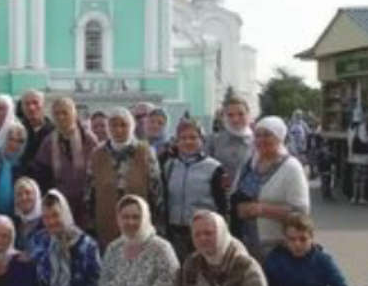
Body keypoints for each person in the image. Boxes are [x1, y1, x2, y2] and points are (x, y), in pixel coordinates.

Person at [231, 116, 310, 259]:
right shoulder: (249, 164)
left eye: (267, 135)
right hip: (245, 244)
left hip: (276, 246)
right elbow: (235, 194)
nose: (261, 140)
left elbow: (301, 211)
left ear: (279, 137)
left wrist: (262, 210)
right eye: (258, 135)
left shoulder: (291, 167)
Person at [86, 107, 164, 251]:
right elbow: (89, 191)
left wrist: (158, 222)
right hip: (106, 221)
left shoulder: (145, 152)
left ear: (132, 126)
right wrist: (91, 223)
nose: (119, 130)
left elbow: (156, 190)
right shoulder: (97, 154)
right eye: (114, 125)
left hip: (138, 220)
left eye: (123, 125)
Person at [163, 119, 229, 262]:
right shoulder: (170, 166)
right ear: (177, 141)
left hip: (203, 232)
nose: (188, 142)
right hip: (176, 232)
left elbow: (223, 205)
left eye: (193, 137)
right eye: (183, 138)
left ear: (201, 140)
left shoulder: (214, 168)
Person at [34, 98, 99, 226]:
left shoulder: (88, 139)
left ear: (74, 114)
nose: (61, 117)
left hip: (86, 204)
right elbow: (42, 173)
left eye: (65, 113)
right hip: (60, 204)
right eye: (57, 114)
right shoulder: (48, 142)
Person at [207, 95, 254, 188]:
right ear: (223, 117)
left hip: (249, 197)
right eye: (230, 115)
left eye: (241, 114)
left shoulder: (258, 141)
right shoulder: (213, 141)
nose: (235, 119)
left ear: (248, 115)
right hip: (219, 195)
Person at [19, 89, 54, 167]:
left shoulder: (54, 131)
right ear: (22, 107)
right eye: (27, 104)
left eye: (35, 103)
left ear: (43, 105)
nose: (31, 108)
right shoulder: (17, 130)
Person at [14, 176, 47, 255]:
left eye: (28, 193)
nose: (23, 197)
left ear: (36, 195)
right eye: (19, 194)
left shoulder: (46, 221)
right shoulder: (15, 222)